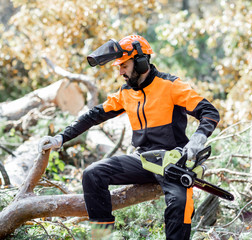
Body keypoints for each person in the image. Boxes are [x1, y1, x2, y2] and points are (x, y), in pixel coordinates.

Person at [38, 35, 220, 240]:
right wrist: (61, 138)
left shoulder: (170, 85)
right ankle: (102, 237)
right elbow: (93, 115)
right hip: (143, 160)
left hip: (173, 162)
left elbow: (209, 112)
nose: (120, 72)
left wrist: (197, 139)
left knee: (180, 204)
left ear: (141, 61)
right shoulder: (126, 92)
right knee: (92, 174)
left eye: (124, 65)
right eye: (118, 67)